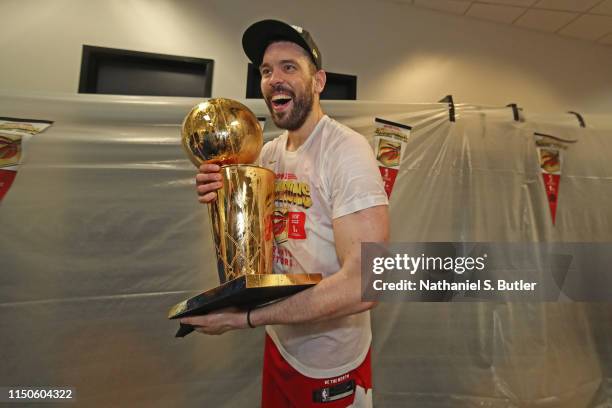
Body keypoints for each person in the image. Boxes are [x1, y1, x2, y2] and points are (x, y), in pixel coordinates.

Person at [180, 19, 389, 407]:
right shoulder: (269, 155)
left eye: (289, 67)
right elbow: (248, 240)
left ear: (319, 81)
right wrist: (216, 185)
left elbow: (366, 284)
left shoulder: (346, 151)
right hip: (281, 340)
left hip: (331, 363)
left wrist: (243, 319)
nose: (274, 78)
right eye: (266, 70)